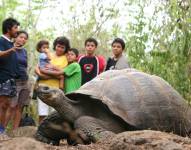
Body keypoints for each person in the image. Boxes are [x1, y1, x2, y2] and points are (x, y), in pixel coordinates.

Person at [35, 36, 69, 123]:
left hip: (55, 88)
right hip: (43, 85)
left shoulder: (66, 59)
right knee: (42, 112)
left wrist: (47, 74)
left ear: (66, 49)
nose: (60, 49)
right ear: (55, 46)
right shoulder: (47, 54)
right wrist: (40, 74)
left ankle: (52, 135)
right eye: (58, 46)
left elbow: (62, 73)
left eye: (62, 47)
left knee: (53, 114)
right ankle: (39, 132)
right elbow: (38, 67)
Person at [4, 30, 31, 130]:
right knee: (11, 106)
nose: (23, 39)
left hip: (25, 81)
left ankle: (15, 131)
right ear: (16, 37)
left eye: (25, 38)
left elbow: (25, 65)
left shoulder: (24, 51)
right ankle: (2, 130)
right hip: (13, 81)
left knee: (20, 107)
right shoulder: (9, 48)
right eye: (21, 37)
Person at [0, 18, 20, 132]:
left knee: (7, 104)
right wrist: (11, 50)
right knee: (2, 104)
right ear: (8, 29)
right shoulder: (1, 40)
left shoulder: (11, 43)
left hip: (11, 78)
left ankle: (2, 130)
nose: (17, 30)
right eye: (15, 28)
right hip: (3, 77)